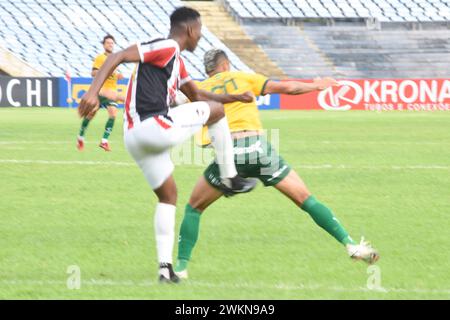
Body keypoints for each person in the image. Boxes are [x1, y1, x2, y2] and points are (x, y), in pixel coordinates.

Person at [78, 8, 257, 283]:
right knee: (216, 113)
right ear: (190, 30)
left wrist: (234, 97)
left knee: (168, 195)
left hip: (135, 138)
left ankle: (165, 269)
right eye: (199, 31)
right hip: (152, 128)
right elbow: (117, 56)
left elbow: (197, 95)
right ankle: (230, 177)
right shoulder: (166, 46)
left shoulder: (177, 62)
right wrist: (92, 93)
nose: (200, 36)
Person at [174, 49, 380, 279]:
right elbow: (288, 88)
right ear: (226, 65)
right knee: (306, 199)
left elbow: (177, 108)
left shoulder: (198, 90)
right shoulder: (243, 78)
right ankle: (351, 245)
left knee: (194, 208)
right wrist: (316, 86)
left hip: (228, 154)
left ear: (208, 70)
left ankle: (181, 269)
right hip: (258, 149)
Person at [77, 34, 125, 152]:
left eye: (112, 43)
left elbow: (115, 75)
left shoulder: (116, 59)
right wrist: (107, 71)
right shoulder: (100, 58)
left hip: (111, 92)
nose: (110, 45)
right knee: (91, 114)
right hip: (100, 91)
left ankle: (104, 141)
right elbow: (93, 73)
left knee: (113, 114)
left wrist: (118, 75)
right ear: (104, 45)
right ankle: (80, 137)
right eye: (108, 43)